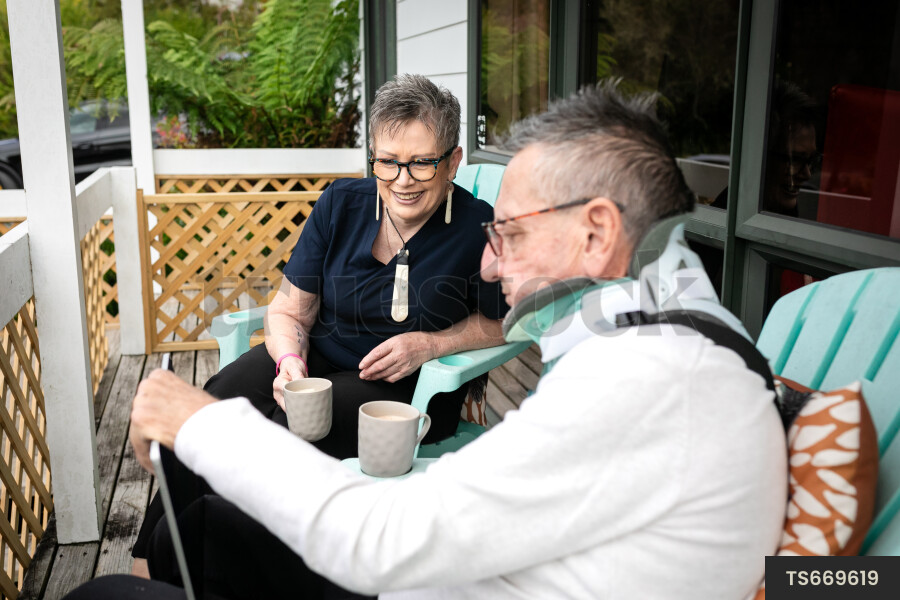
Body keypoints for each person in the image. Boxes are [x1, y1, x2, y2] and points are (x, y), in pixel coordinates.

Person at [70, 82, 787, 600]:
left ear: (596, 233)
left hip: (406, 568)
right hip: (457, 563)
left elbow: (381, 540)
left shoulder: (651, 377)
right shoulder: (667, 335)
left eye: (508, 232)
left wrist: (199, 422)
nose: (486, 261)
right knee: (195, 531)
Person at [130, 74, 508, 575]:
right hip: (315, 359)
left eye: (421, 162)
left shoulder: (477, 227)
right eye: (388, 161)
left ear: (453, 160)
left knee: (283, 430)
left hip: (401, 389)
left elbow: (505, 323)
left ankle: (198, 563)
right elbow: (290, 310)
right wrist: (289, 360)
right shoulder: (340, 205)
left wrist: (430, 344)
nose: (403, 179)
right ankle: (148, 563)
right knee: (215, 400)